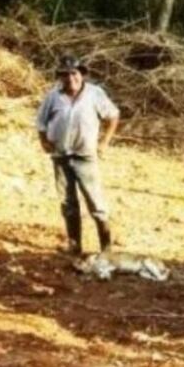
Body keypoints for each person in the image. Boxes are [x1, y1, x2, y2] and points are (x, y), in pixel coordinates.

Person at [36, 56, 120, 255]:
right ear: (60, 77)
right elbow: (40, 122)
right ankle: (74, 246)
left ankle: (106, 248)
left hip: (85, 156)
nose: (70, 78)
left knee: (95, 202)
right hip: (61, 156)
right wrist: (44, 142)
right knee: (68, 202)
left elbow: (113, 115)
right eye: (65, 74)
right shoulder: (53, 96)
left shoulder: (95, 94)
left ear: (81, 74)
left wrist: (104, 142)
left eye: (74, 73)